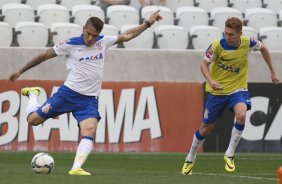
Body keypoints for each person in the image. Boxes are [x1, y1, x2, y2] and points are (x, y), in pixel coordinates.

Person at [9, 11, 162, 176]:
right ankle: (33, 94)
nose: (90, 38)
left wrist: (147, 24)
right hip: (67, 94)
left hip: (88, 100)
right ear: (83, 29)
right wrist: (20, 71)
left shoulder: (103, 42)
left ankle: (76, 168)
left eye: (94, 36)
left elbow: (128, 35)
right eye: (88, 34)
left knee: (89, 129)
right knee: (33, 121)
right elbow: (44, 56)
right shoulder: (70, 44)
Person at [181, 17, 279, 175]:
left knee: (241, 115)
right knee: (205, 129)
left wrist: (272, 72)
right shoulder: (217, 45)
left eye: (231, 34)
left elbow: (264, 48)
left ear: (240, 33)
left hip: (238, 89)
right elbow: (203, 64)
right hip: (217, 91)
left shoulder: (248, 43)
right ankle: (190, 157)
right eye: (226, 33)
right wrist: (211, 80)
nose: (227, 36)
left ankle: (229, 154)